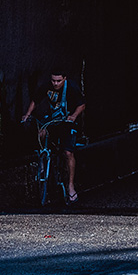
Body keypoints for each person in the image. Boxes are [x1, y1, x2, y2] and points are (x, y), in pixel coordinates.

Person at [22, 69, 86, 203]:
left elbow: (82, 105)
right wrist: (27, 114)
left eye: (58, 81)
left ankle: (70, 186)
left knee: (68, 153)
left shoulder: (72, 88)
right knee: (42, 132)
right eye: (53, 80)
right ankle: (42, 164)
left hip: (67, 121)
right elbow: (35, 100)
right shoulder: (46, 86)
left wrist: (73, 116)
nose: (55, 84)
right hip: (53, 119)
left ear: (64, 79)